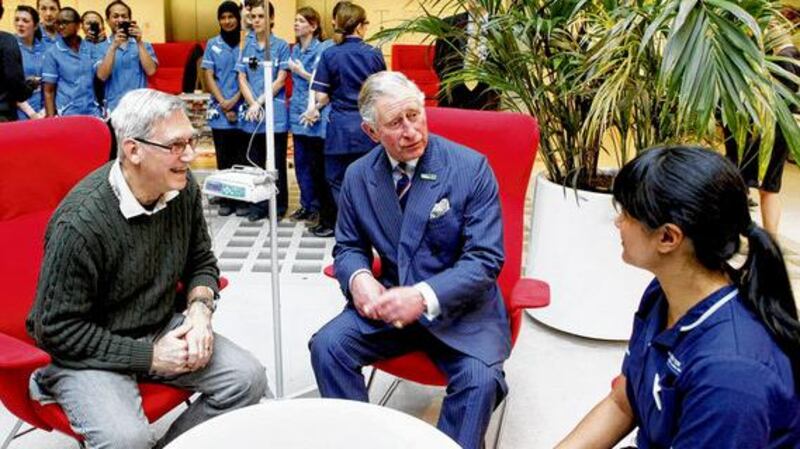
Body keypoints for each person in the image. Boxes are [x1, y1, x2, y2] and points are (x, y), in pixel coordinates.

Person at [26, 88, 269, 449]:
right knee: (126, 440)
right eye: (175, 145)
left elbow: (201, 261)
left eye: (192, 140)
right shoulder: (80, 225)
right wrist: (151, 357)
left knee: (248, 378)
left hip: (157, 326)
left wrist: (200, 311)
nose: (190, 155)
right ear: (133, 150)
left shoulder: (182, 190)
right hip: (87, 352)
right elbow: (56, 331)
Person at [309, 71, 510, 449]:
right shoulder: (358, 176)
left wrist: (421, 297)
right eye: (396, 123)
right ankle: (360, 440)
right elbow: (348, 247)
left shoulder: (470, 168)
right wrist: (359, 279)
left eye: (415, 115)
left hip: (460, 309)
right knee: (328, 346)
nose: (411, 131)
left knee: (479, 380)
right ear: (371, 132)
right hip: (391, 307)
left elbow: (484, 260)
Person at [557, 146, 800, 448]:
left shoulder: (730, 374)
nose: (618, 223)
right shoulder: (664, 294)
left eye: (628, 214)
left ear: (668, 238)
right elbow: (623, 402)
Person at [306, 1, 386, 231]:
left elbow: (321, 94)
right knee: (371, 180)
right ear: (360, 26)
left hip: (339, 128)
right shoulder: (374, 53)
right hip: (368, 128)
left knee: (337, 180)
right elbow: (383, 89)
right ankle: (370, 227)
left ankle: (349, 226)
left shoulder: (330, 54)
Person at [724, 17, 799, 238]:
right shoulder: (788, 54)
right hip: (776, 128)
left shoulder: (782, 57)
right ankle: (769, 239)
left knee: (742, 182)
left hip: (761, 128)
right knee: (769, 188)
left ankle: (738, 233)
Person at [236, 0, 291, 222]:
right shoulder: (246, 44)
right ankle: (258, 205)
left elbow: (280, 78)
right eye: (254, 17)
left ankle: (278, 206)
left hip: (273, 113)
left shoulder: (280, 45)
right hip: (253, 112)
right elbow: (241, 76)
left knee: (276, 161)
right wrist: (252, 103)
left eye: (261, 17)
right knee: (256, 161)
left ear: (271, 20)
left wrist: (259, 101)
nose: (257, 21)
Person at [287, 6, 336, 228]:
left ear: (313, 26)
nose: (296, 24)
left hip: (317, 110)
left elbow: (323, 81)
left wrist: (301, 73)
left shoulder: (324, 49)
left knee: (317, 164)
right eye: (295, 20)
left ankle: (319, 207)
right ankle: (306, 204)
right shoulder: (296, 50)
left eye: (301, 21)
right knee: (301, 162)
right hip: (298, 110)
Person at [202, 1, 248, 217]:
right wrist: (223, 102)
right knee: (224, 157)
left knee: (242, 157)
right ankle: (226, 199)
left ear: (238, 19)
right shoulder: (212, 43)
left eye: (231, 17)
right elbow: (208, 75)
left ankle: (241, 198)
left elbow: (247, 76)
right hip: (220, 108)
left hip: (243, 106)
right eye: (223, 17)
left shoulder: (246, 42)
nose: (227, 21)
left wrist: (235, 100)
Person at [433, 3, 499, 110]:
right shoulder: (448, 23)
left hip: (487, 95)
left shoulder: (500, 26)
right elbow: (438, 62)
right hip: (452, 96)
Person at [95, 0, 158, 114]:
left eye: (124, 16)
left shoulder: (144, 45)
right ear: (108, 21)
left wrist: (139, 42)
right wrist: (113, 46)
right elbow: (102, 76)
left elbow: (151, 71)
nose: (120, 20)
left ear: (130, 19)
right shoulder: (99, 48)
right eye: (115, 16)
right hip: (114, 107)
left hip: (140, 106)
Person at [41, 7, 101, 117]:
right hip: (67, 113)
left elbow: (101, 76)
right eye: (58, 23)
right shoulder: (52, 53)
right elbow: (48, 91)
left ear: (78, 25)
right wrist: (50, 119)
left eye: (65, 22)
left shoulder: (90, 48)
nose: (60, 26)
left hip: (92, 111)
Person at [13, 5, 46, 120]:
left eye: (25, 21)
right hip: (19, 113)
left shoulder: (45, 49)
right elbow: (10, 86)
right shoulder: (9, 47)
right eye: (17, 20)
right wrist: (32, 114)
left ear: (36, 26)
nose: (20, 24)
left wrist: (44, 112)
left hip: (44, 113)